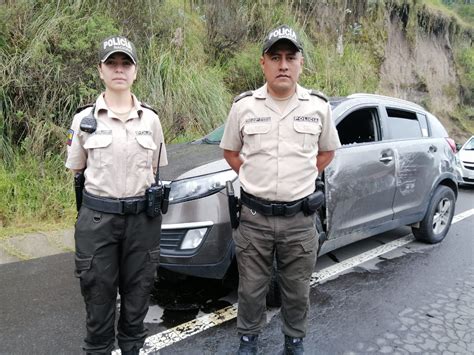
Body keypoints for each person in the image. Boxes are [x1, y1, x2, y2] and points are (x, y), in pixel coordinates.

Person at [220, 25, 341, 354]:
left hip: (299, 220)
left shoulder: (318, 107)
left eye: (290, 57)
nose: (283, 65)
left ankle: (294, 342)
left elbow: (327, 152)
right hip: (254, 217)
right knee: (251, 289)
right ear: (264, 64)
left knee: (297, 290)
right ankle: (248, 342)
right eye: (276, 57)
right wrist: (253, 175)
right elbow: (231, 152)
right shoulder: (244, 107)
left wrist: (302, 174)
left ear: (301, 63)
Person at [65, 35, 167, 354]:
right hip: (97, 222)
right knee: (97, 301)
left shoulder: (151, 120)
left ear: (135, 71)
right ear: (101, 70)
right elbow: (77, 171)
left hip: (142, 224)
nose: (119, 69)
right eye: (112, 63)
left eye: (126, 63)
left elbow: (154, 168)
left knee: (137, 302)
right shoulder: (83, 120)